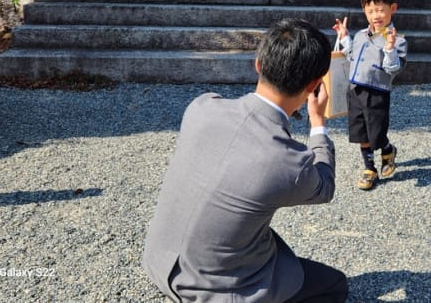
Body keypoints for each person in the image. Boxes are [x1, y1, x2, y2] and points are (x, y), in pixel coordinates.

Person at [142, 18, 348, 302]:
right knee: (333, 284)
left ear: (258, 64)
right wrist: (317, 124)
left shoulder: (202, 107)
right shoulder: (289, 161)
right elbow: (325, 186)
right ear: (314, 84)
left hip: (159, 262)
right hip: (213, 289)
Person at [333, 0, 407, 191]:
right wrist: (345, 37)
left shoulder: (398, 40)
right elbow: (351, 55)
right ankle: (369, 168)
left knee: (376, 132)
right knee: (360, 133)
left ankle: (387, 149)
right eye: (370, 10)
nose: (376, 15)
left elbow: (393, 69)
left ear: (393, 9)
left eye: (381, 10)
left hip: (377, 92)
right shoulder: (360, 36)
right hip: (355, 90)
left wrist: (390, 48)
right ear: (364, 11)